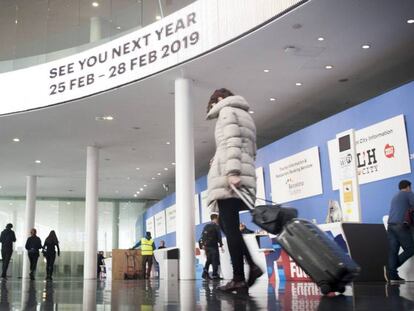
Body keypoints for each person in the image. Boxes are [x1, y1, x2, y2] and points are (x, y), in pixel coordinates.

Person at [206, 88, 263, 293]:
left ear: (220, 99)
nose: (212, 109)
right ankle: (251, 266)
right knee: (226, 225)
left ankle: (238, 277)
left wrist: (231, 170)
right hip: (245, 174)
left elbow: (232, 141)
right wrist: (219, 157)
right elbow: (250, 149)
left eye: (213, 103)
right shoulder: (245, 114)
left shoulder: (226, 111)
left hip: (229, 178)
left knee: (229, 228)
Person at [386, 180, 414, 283]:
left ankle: (392, 276)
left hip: (390, 226)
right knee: (411, 249)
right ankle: (390, 270)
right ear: (408, 187)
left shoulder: (395, 197)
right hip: (400, 226)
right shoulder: (408, 193)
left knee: (393, 251)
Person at [199, 213, 224, 280]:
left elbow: (202, 236)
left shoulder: (206, 226)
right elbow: (219, 236)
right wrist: (221, 245)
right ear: (215, 219)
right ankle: (215, 275)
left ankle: (205, 273)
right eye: (218, 219)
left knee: (209, 260)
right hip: (213, 245)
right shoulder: (216, 226)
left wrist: (203, 246)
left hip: (206, 246)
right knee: (214, 260)